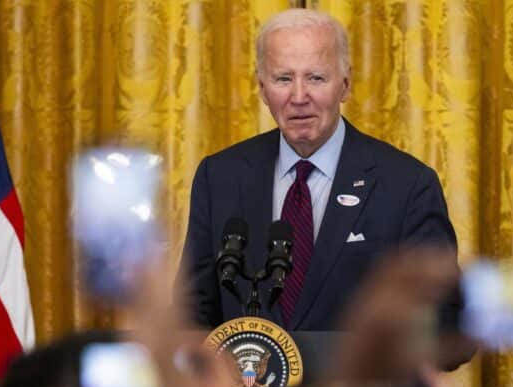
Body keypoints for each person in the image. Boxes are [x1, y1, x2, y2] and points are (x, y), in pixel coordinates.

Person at [178, 8, 461, 332]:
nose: (299, 97)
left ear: (345, 83)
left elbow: (445, 324)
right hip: (249, 381)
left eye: (316, 78)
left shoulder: (407, 185)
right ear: (262, 88)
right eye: (283, 78)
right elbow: (192, 314)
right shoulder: (220, 177)